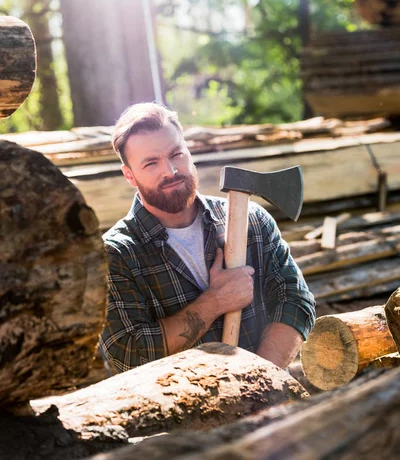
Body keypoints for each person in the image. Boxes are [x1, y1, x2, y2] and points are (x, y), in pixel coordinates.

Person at [99, 102, 316, 373]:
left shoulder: (250, 220)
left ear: (189, 151)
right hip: (181, 411)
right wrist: (215, 302)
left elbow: (295, 300)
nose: (170, 171)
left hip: (266, 400)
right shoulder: (114, 255)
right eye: (151, 163)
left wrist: (261, 382)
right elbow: (127, 354)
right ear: (129, 175)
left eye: (176, 154)